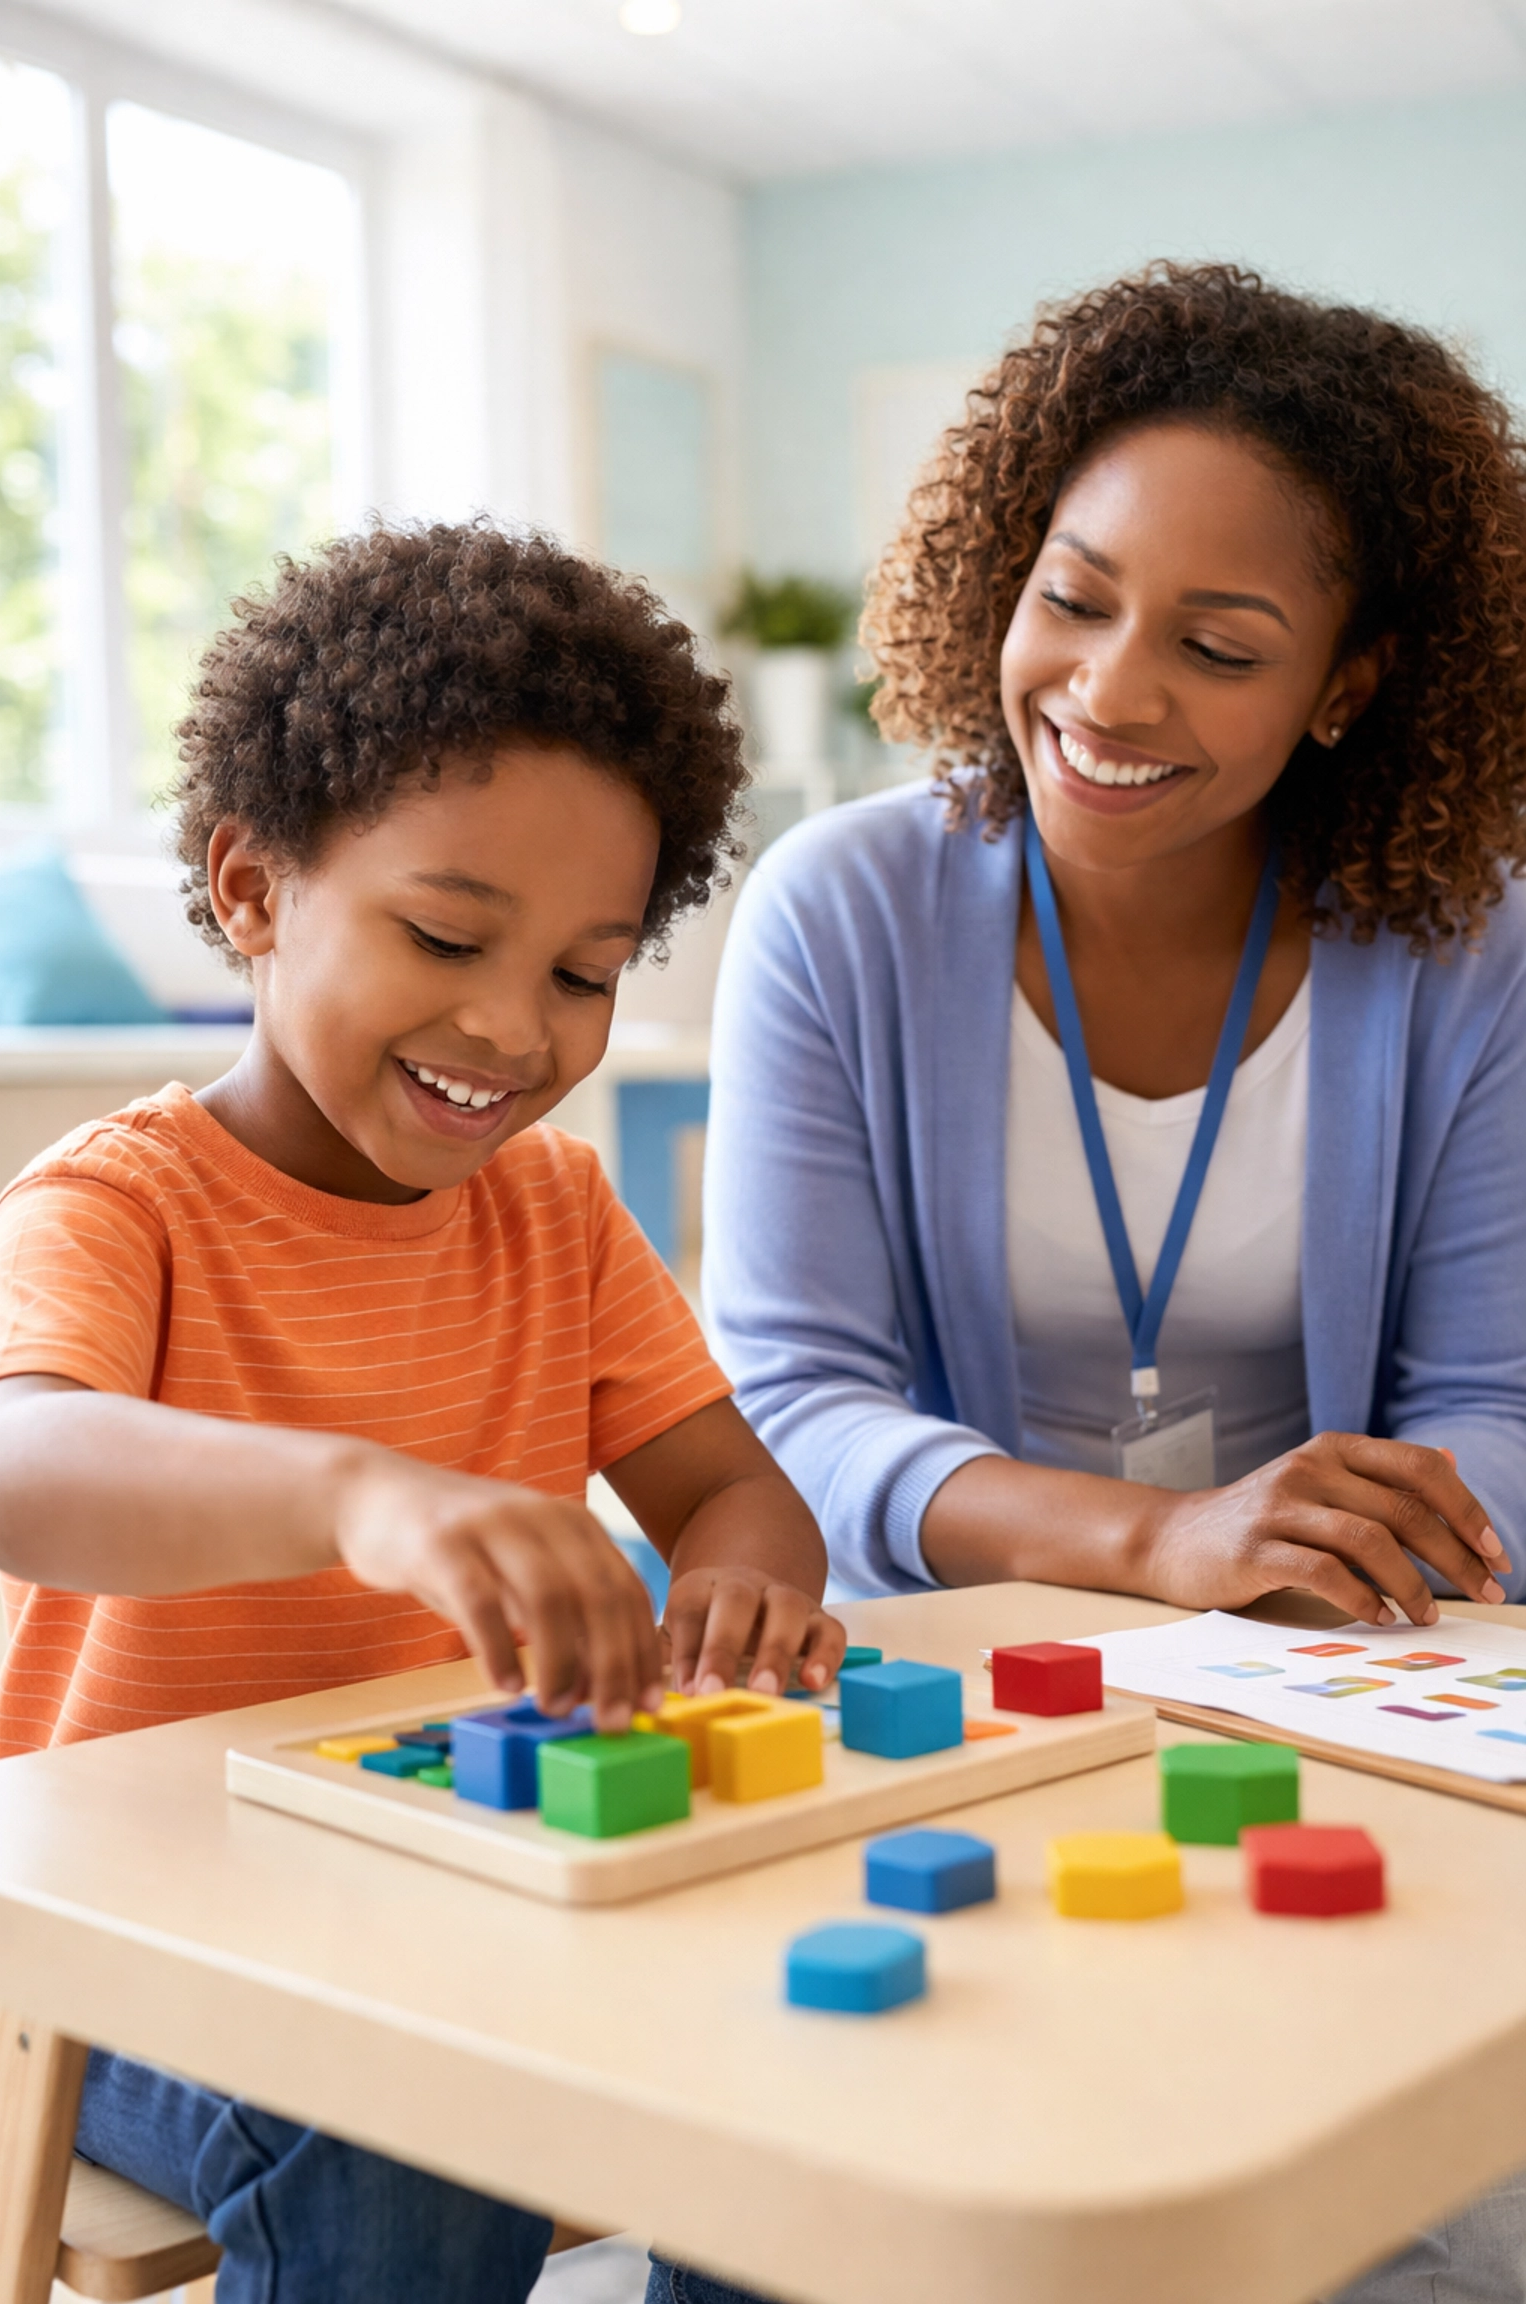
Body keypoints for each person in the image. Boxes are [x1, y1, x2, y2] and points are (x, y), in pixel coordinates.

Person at [698, 264, 1526, 2304]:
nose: (1110, 691)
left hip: (1326, 1673)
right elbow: (792, 1399)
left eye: (1220, 646)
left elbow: (1496, 1393)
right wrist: (1161, 1539)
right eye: (1071, 598)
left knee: (1341, 2221)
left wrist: (1333, 1578)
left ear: (1349, 681)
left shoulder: (1464, 942)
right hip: (942, 1668)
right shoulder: (845, 911)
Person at [0, 520, 844, 2304]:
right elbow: (21, 1460)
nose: (511, 1029)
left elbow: (731, 1492)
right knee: (412, 2127)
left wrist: (745, 1579)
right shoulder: (119, 1205)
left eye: (583, 974)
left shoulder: (559, 1214)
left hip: (455, 1874)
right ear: (248, 889)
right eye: (448, 934)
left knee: (814, 2057)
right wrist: (357, 1495)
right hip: (126, 1927)